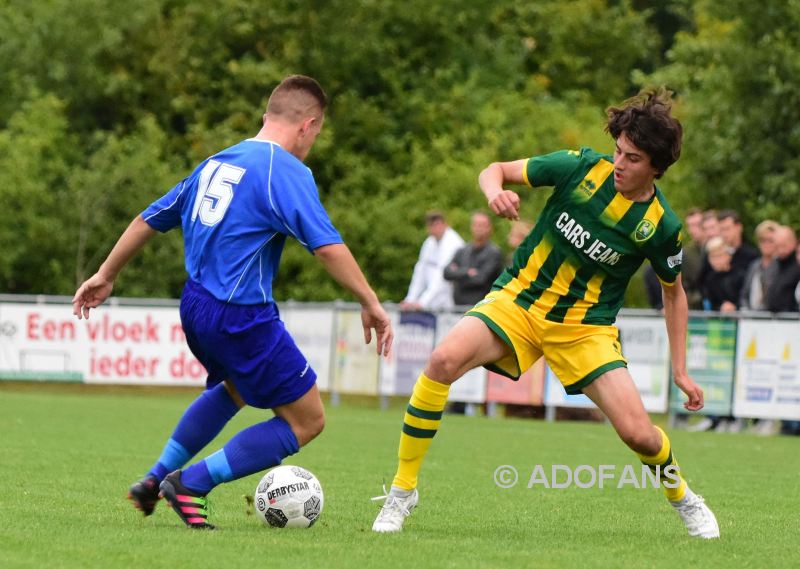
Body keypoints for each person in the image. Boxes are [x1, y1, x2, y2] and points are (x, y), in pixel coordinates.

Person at [371, 88, 719, 539]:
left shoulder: (661, 227)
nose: (619, 163)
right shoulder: (579, 167)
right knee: (441, 362)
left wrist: (681, 370)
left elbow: (675, 295)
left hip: (584, 329)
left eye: (632, 158)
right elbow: (494, 169)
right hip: (518, 301)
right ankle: (402, 492)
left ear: (656, 165)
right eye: (618, 151)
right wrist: (495, 191)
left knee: (641, 436)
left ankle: (684, 499)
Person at [72, 75, 393, 529]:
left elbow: (150, 217)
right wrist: (371, 302)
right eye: (316, 136)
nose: (312, 145)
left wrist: (106, 273)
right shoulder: (282, 170)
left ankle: (155, 477)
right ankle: (190, 483)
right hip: (240, 314)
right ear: (308, 125)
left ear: (266, 117)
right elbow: (325, 246)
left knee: (235, 389)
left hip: (196, 305)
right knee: (307, 420)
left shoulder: (216, 162)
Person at [400, 211, 465, 311]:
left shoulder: (453, 242)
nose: (434, 229)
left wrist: (423, 302)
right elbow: (420, 271)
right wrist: (410, 299)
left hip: (450, 298)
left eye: (437, 224)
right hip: (431, 299)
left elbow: (442, 276)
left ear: (444, 224)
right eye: (431, 225)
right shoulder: (429, 242)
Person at [443, 211, 504, 306]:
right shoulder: (462, 250)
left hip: (482, 308)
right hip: (458, 307)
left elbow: (481, 279)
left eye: (482, 225)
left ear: (489, 228)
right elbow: (446, 273)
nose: (478, 228)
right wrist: (467, 272)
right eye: (476, 224)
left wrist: (457, 274)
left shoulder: (494, 253)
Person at [740, 220, 780, 311]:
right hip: (751, 317)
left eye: (770, 240)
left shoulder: (781, 265)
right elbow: (744, 294)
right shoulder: (754, 265)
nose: (766, 244)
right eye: (762, 240)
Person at [699, 236, 745, 312]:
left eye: (719, 255)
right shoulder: (709, 279)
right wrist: (721, 307)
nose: (716, 260)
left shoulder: (741, 276)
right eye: (713, 257)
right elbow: (711, 303)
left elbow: (745, 299)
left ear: (728, 256)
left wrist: (735, 307)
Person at [765, 225, 800, 313]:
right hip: (775, 320)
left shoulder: (797, 265)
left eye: (783, 246)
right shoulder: (775, 264)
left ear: (793, 242)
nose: (780, 250)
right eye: (777, 246)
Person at [681, 207, 705, 309]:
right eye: (690, 226)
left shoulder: (719, 248)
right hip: (697, 308)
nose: (693, 230)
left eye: (696, 225)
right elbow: (684, 285)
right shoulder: (685, 253)